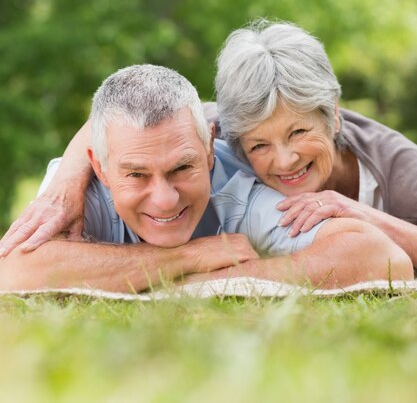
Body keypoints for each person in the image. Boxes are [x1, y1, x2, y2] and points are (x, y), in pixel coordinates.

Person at [0, 64, 412, 292]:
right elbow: (12, 272)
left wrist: (214, 280)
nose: (164, 199)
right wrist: (185, 261)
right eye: (137, 175)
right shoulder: (76, 190)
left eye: (183, 168)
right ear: (101, 166)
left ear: (210, 149)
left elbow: (382, 258)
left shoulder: (234, 186)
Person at [214, 20, 417, 267]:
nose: (285, 161)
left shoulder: (405, 171)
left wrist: (359, 212)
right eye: (259, 146)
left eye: (297, 132)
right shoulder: (214, 140)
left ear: (333, 114)